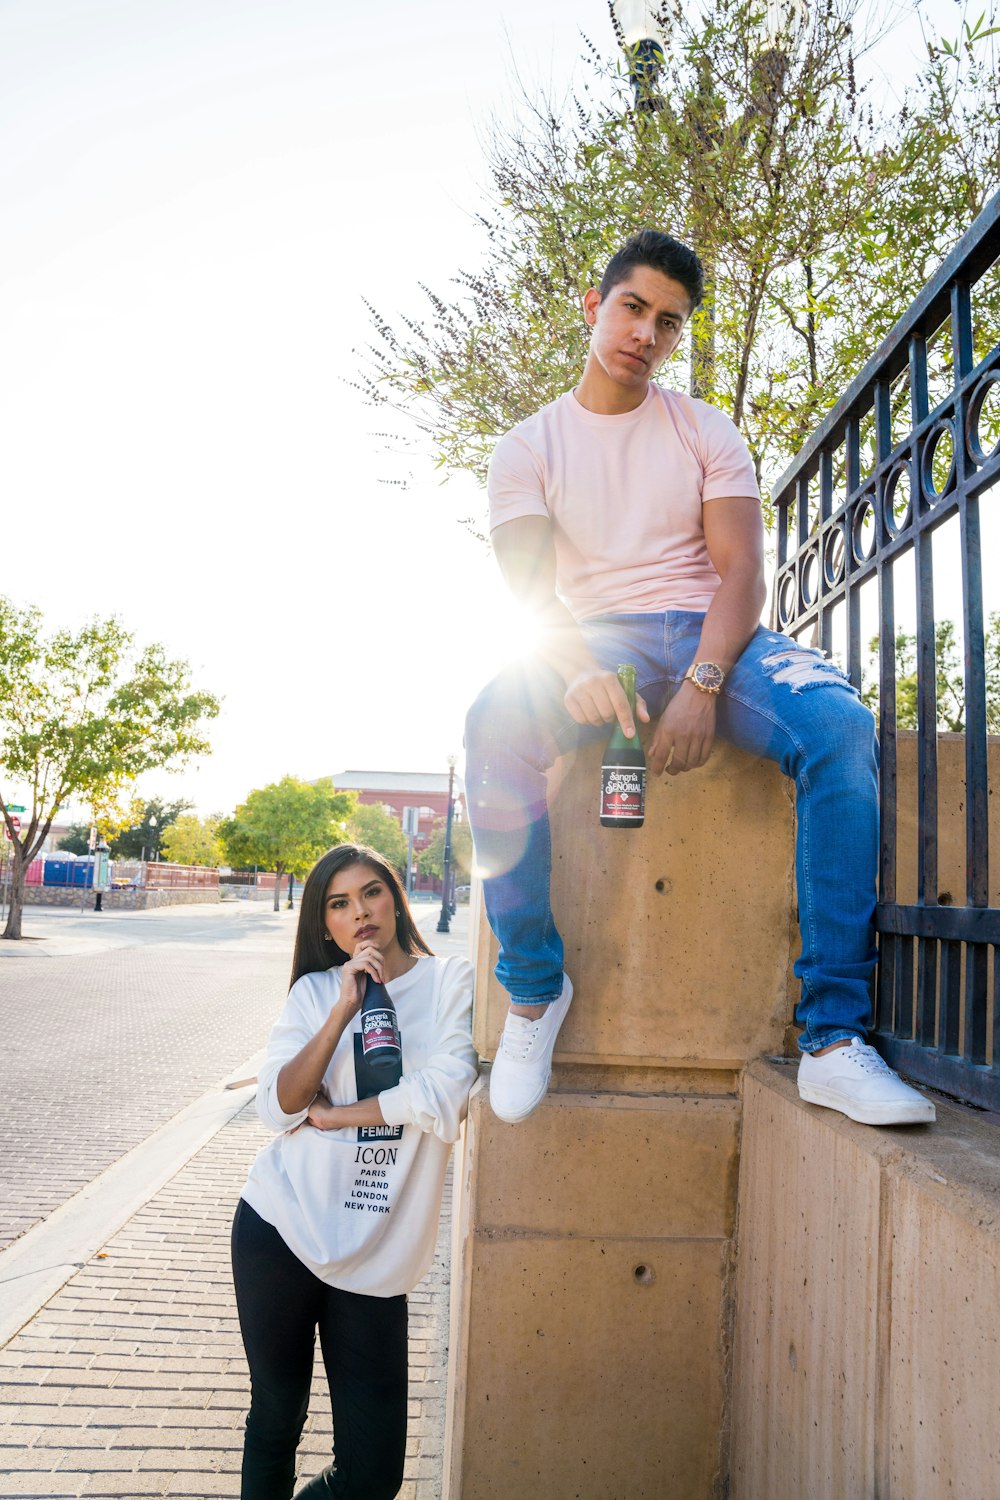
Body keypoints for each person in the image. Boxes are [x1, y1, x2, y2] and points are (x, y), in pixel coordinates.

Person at [464, 227, 935, 1130]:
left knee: (838, 727)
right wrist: (577, 665)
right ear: (594, 307)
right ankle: (533, 989)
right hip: (593, 637)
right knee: (493, 726)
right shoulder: (527, 448)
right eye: (634, 307)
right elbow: (530, 589)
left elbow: (743, 575)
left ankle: (833, 1041)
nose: (647, 333)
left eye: (668, 322)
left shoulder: (704, 429)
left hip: (713, 635)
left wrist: (705, 683)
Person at [231, 843, 477, 1500]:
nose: (359, 912)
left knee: (372, 1475)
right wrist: (344, 1005)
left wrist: (340, 1117)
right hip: (279, 1231)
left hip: (375, 1257)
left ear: (394, 900)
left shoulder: (450, 982)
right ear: (326, 927)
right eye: (339, 904)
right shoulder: (315, 993)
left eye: (370, 892)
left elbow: (446, 1091)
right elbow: (280, 1106)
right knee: (276, 1418)